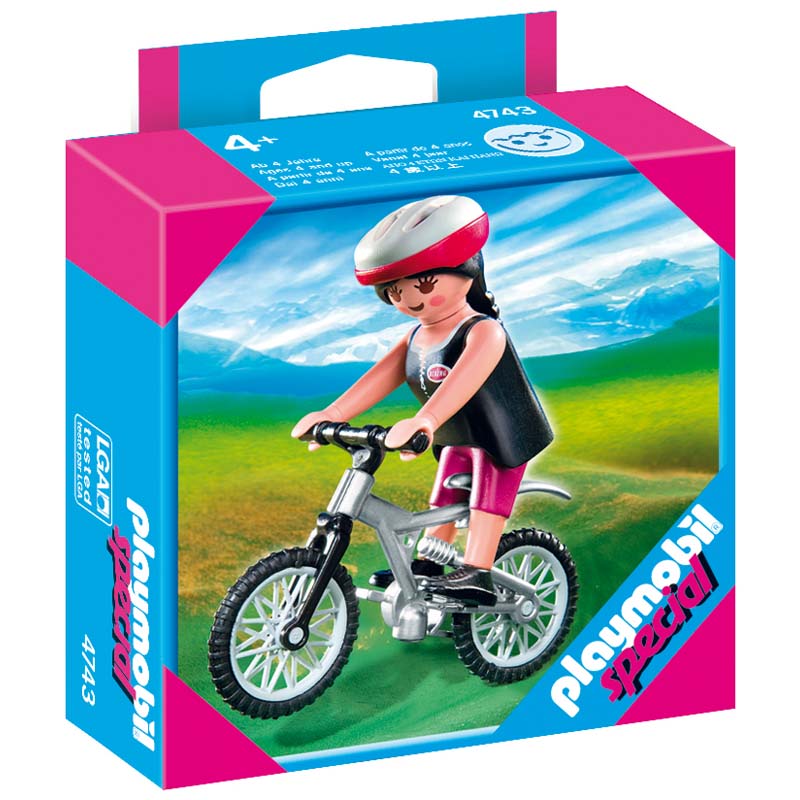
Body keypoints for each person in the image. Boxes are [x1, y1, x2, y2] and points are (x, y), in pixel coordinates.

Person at [291, 195, 553, 606]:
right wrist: (332, 414)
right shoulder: (415, 336)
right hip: (458, 436)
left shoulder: (484, 332)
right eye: (394, 291)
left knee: (486, 494)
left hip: (504, 438)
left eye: (425, 285)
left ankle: (479, 571)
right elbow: (381, 376)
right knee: (444, 491)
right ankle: (431, 561)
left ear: (466, 271)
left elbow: (463, 381)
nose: (408, 299)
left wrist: (426, 420)